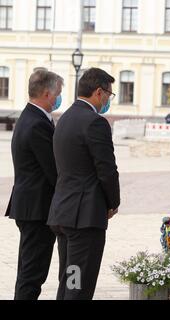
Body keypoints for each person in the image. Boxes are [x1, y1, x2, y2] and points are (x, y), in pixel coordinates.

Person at [48, 68, 121, 300]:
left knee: (70, 279)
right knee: (79, 285)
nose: (109, 100)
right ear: (98, 92)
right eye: (109, 94)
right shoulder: (95, 122)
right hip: (85, 218)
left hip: (64, 213)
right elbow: (106, 169)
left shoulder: (65, 118)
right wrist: (113, 203)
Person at [5, 69, 64, 300]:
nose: (59, 97)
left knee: (29, 271)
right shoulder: (37, 123)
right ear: (48, 94)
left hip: (31, 207)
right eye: (58, 93)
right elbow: (53, 169)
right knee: (32, 274)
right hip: (36, 209)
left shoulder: (31, 117)